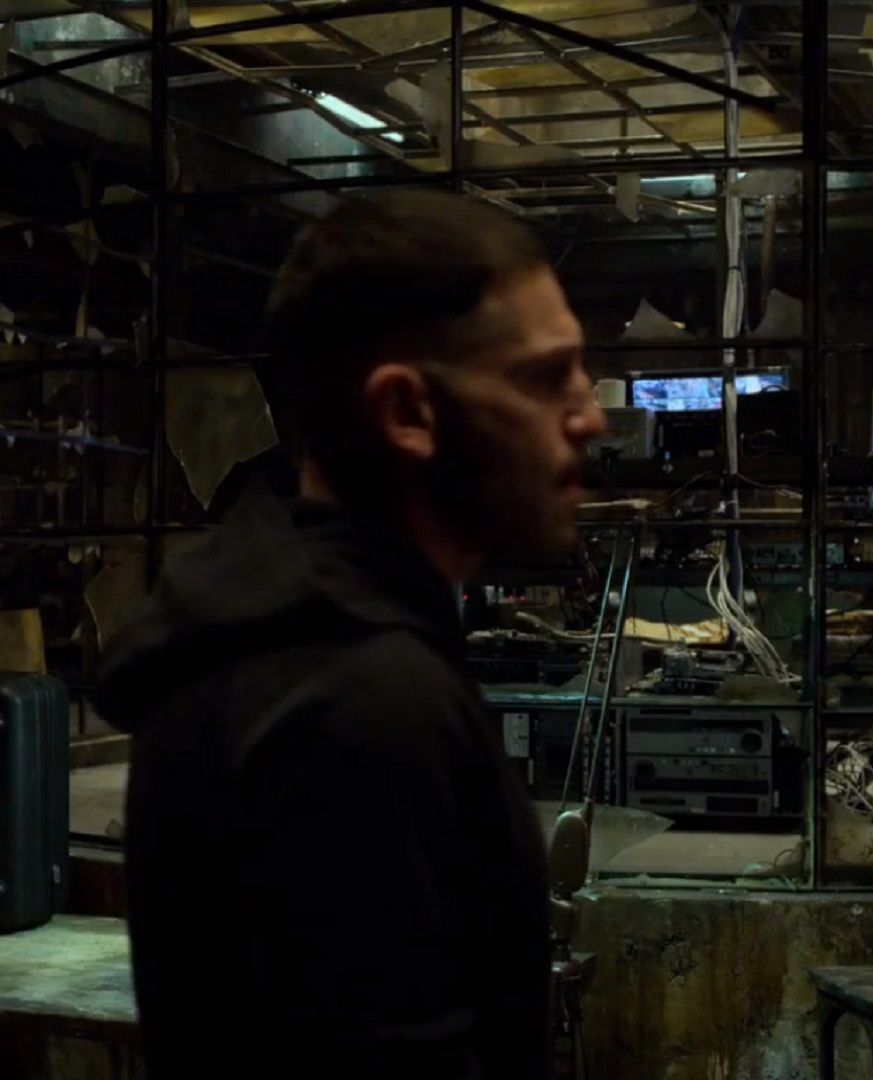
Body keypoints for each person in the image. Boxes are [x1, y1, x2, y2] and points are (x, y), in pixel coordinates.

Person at [96, 190, 606, 1079]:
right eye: (545, 376)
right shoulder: (358, 703)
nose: (589, 414)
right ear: (407, 412)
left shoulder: (272, 632)